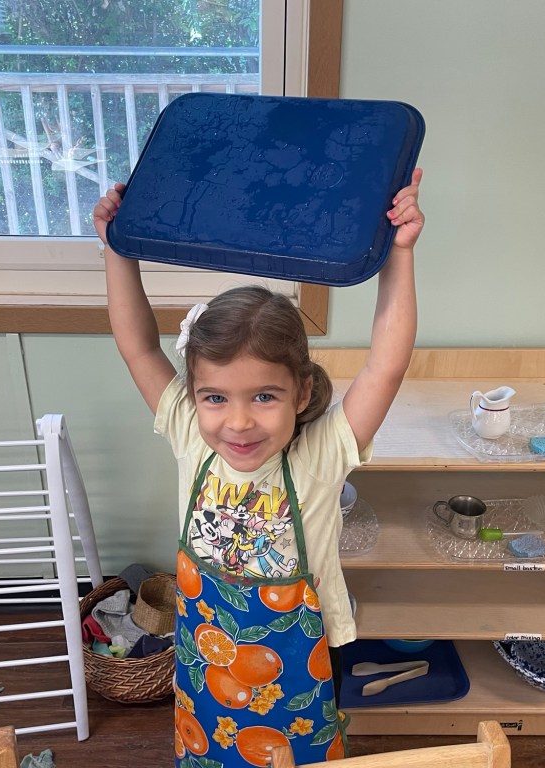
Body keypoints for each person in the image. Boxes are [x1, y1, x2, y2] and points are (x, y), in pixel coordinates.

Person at [94, 168, 424, 766]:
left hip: (302, 660)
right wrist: (119, 249)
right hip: (207, 654)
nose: (238, 422)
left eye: (264, 396)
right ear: (194, 398)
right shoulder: (190, 435)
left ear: (301, 393)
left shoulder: (321, 453)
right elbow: (137, 346)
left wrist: (399, 253)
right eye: (216, 397)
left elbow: (387, 365)